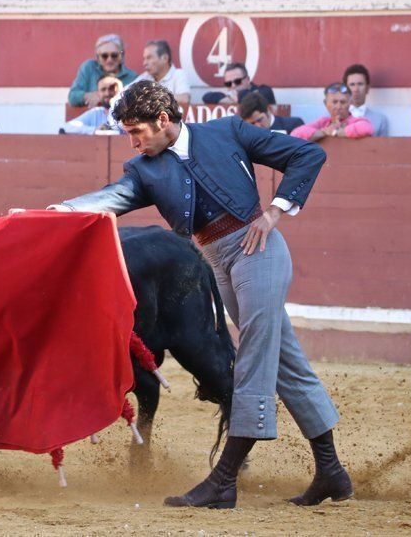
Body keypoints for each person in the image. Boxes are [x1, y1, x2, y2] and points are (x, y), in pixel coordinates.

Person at [47, 81, 349, 509]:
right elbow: (107, 200)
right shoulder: (145, 170)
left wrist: (274, 213)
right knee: (285, 364)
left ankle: (224, 479)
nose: (133, 142)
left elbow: (308, 154)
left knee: (253, 359)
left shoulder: (228, 131)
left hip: (257, 250)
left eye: (138, 132)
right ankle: (332, 471)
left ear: (163, 121)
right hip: (218, 263)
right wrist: (54, 213)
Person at [68, 34, 138, 108]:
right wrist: (89, 96)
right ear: (98, 57)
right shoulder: (89, 68)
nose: (109, 60)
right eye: (104, 56)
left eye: (114, 55)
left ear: (122, 55)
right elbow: (72, 97)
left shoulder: (132, 77)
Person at [291, 83, 372, 141]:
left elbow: (366, 127)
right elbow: (295, 133)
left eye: (343, 102)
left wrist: (335, 132)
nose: (338, 107)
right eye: (334, 102)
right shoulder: (323, 122)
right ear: (325, 103)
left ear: (350, 103)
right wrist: (323, 132)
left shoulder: (355, 120)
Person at [60, 74, 124, 135]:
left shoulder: (128, 111)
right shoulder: (96, 113)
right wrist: (95, 130)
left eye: (112, 89)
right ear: (98, 93)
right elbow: (66, 127)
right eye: (103, 89)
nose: (107, 93)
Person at [132, 40, 191, 105]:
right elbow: (124, 93)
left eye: (149, 58)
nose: (144, 63)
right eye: (144, 58)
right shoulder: (146, 77)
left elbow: (184, 99)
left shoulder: (178, 74)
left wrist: (154, 96)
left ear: (165, 58)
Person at [343, 64, 389, 136]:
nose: (356, 89)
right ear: (345, 89)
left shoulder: (380, 120)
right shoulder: (335, 117)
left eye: (360, 84)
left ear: (367, 88)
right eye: (352, 84)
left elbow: (383, 146)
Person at [202, 63, 276, 105]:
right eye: (228, 83)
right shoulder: (229, 97)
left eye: (237, 81)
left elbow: (258, 97)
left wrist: (237, 98)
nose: (233, 86)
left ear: (247, 79)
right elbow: (206, 97)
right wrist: (225, 99)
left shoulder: (264, 90)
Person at [238, 91, 303, 134]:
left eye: (259, 120)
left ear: (268, 111)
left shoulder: (293, 125)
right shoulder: (245, 134)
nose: (257, 126)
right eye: (252, 123)